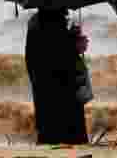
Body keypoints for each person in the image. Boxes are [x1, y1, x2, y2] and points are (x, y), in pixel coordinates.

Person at [24, 8, 89, 145]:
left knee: (49, 135)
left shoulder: (38, 20)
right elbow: (57, 56)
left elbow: (51, 49)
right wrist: (75, 45)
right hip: (60, 93)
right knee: (65, 138)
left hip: (45, 91)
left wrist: (71, 37)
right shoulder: (52, 21)